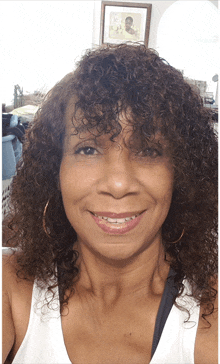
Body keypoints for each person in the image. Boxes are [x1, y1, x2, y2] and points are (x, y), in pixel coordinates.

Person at [3, 43, 218, 364]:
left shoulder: (210, 311)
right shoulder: (10, 287)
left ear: (180, 173)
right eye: (88, 149)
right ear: (55, 170)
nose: (118, 183)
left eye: (148, 150)